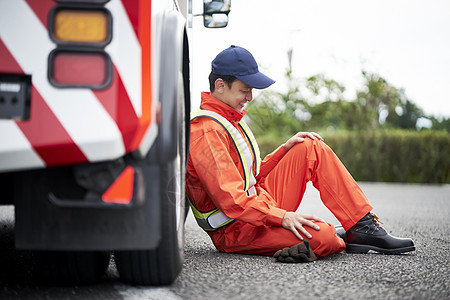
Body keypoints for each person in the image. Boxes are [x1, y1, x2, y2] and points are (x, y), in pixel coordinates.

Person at [186, 45, 415, 263]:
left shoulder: (228, 119)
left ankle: (362, 226)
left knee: (310, 146)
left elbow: (248, 177)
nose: (250, 98)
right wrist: (283, 217)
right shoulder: (206, 130)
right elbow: (233, 200)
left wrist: (284, 150)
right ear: (220, 85)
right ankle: (336, 234)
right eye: (245, 90)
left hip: (257, 206)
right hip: (237, 229)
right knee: (324, 238)